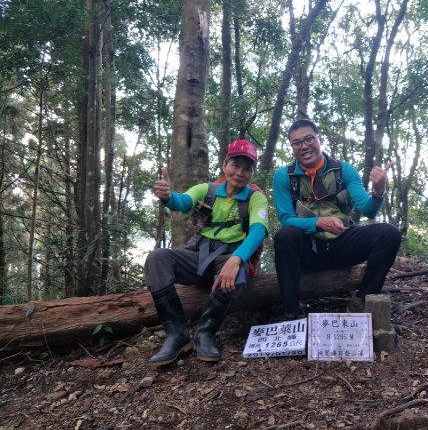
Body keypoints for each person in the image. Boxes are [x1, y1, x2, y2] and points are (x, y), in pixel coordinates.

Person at [145, 140, 268, 365]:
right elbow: (182, 202)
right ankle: (176, 334)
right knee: (157, 258)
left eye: (247, 168)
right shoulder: (208, 190)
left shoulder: (255, 198)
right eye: (235, 165)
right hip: (198, 255)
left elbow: (259, 230)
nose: (240, 173)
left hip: (227, 257)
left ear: (251, 172)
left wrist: (236, 259)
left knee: (235, 275)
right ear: (224, 165)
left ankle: (205, 333)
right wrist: (167, 196)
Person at [273, 119, 402, 317]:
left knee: (389, 233)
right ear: (292, 147)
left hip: (342, 244)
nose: (304, 146)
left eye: (309, 139)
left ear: (319, 139)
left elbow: (368, 210)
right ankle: (292, 313)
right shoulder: (284, 177)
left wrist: (378, 192)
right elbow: (286, 219)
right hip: (309, 249)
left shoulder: (344, 170)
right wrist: (318, 223)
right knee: (284, 236)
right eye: (296, 143)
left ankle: (362, 300)